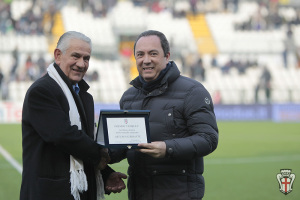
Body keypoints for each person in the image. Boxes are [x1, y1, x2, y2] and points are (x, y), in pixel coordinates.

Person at [110, 30, 219, 200]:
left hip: (179, 194)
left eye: (153, 54)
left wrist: (168, 148)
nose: (146, 60)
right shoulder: (128, 97)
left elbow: (208, 139)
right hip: (139, 193)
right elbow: (124, 145)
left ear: (167, 56)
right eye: (140, 54)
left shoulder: (192, 91)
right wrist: (103, 155)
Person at [20, 31, 127, 200]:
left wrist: (106, 173)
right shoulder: (42, 91)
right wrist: (101, 154)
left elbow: (85, 141)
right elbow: (64, 136)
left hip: (79, 191)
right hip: (52, 193)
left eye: (86, 59)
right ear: (58, 55)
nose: (81, 64)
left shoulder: (83, 95)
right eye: (75, 56)